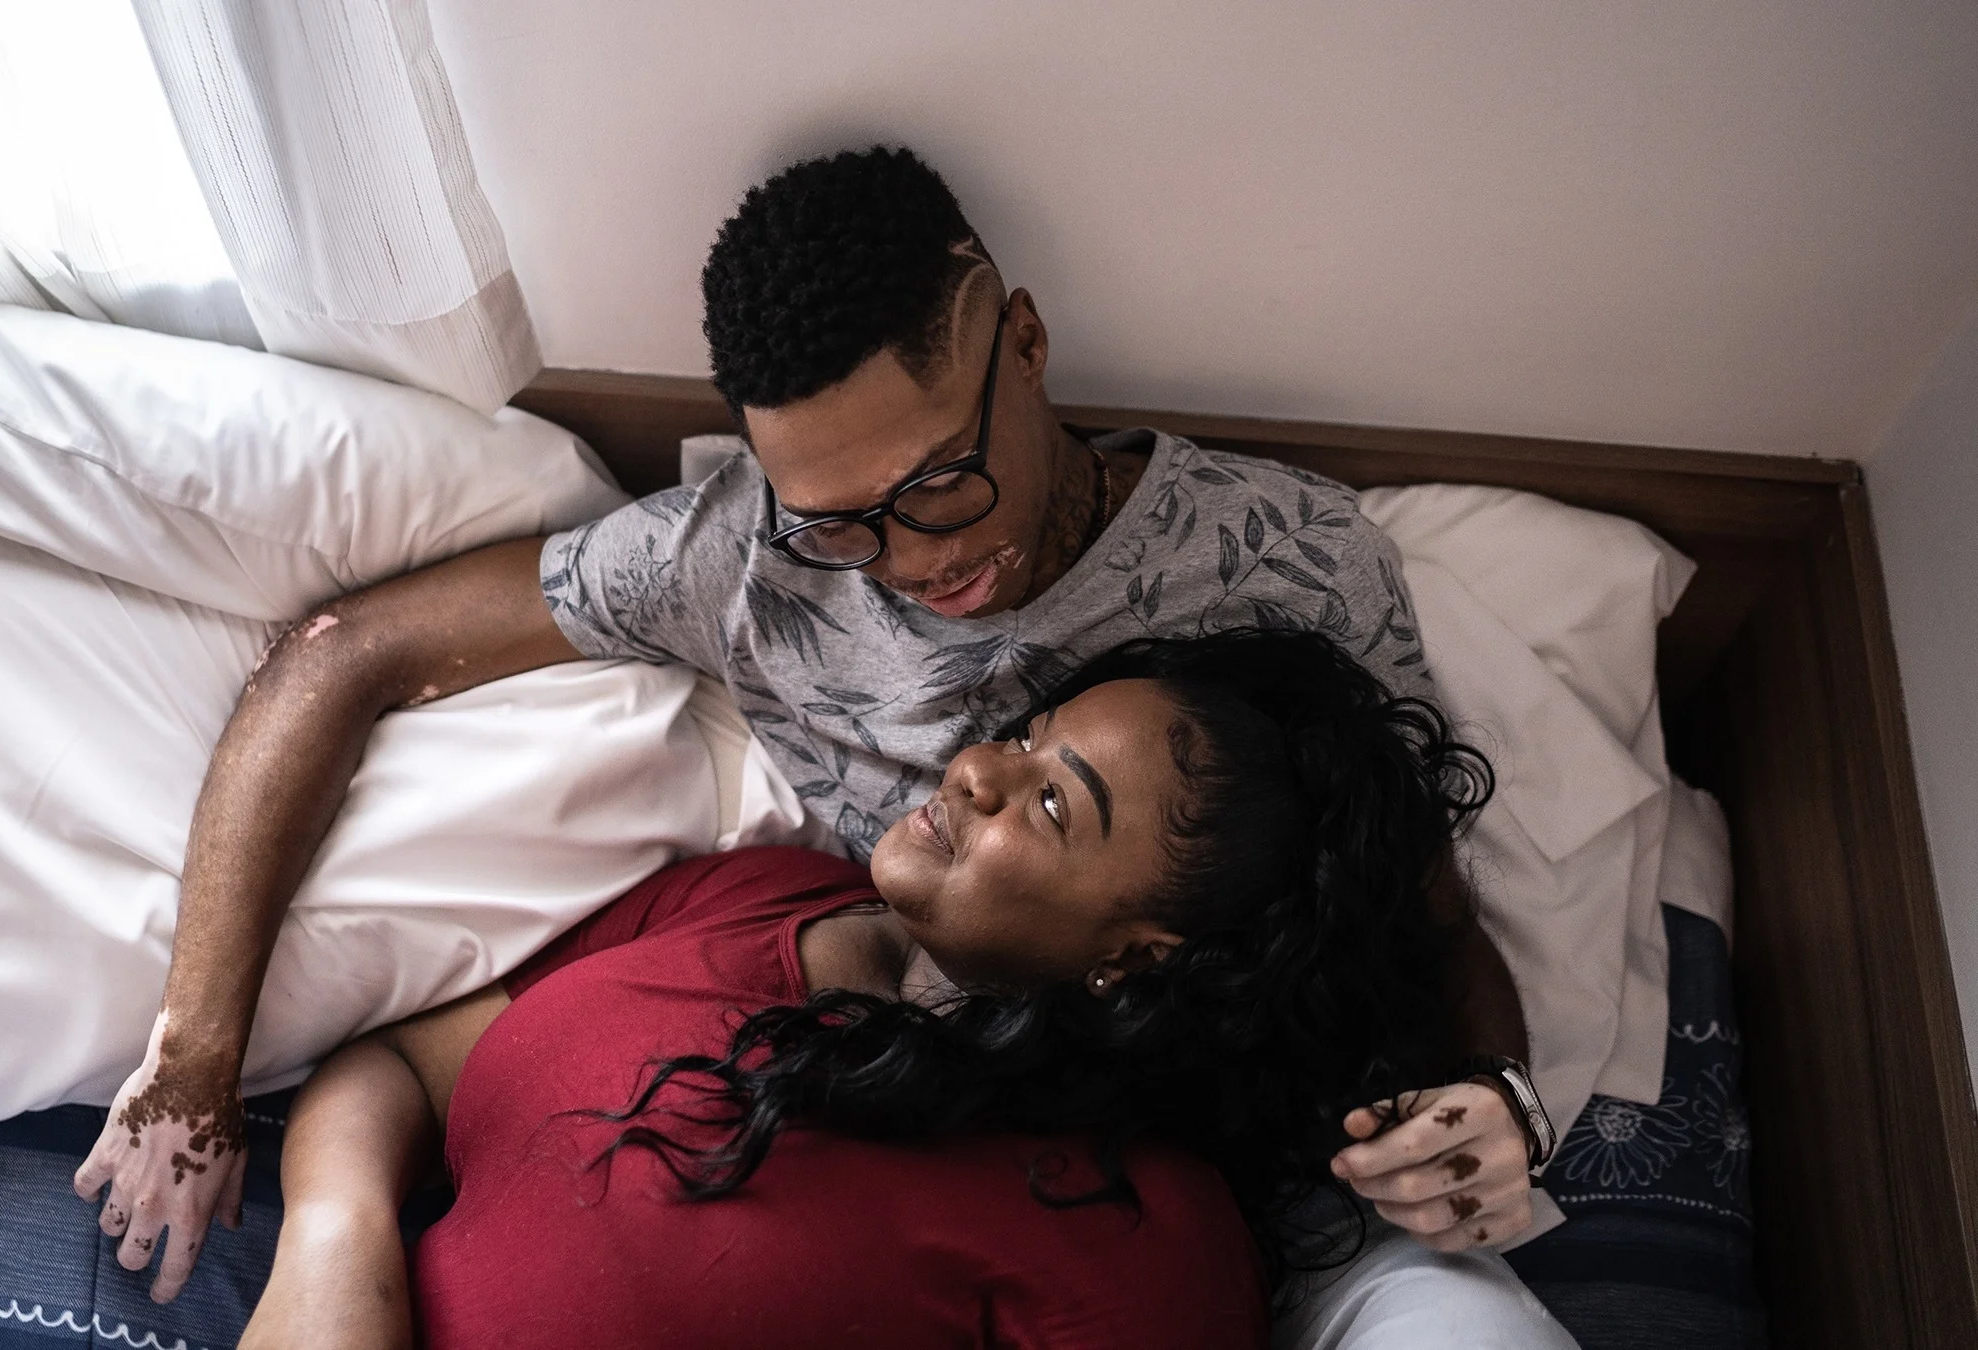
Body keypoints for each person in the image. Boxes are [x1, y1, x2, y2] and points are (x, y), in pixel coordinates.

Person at [75, 147, 1564, 1342]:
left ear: (1024, 343)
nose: (908, 560)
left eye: (938, 485)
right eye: (833, 517)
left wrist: (1499, 1093)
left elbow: (1422, 910)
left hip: (1305, 1183)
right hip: (944, 1082)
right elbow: (349, 652)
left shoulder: (1288, 557)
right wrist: (195, 1056)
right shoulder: (740, 564)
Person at [236, 630, 1479, 1349]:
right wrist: (335, 1237)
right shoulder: (762, 893)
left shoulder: (1143, 1236)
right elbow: (396, 1064)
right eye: (1033, 732)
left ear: (1138, 959)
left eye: (1052, 804)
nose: (983, 767)